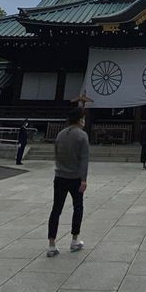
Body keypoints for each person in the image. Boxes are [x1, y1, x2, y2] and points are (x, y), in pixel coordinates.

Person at [46, 108, 88, 257]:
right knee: (78, 207)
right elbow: (84, 160)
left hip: (60, 175)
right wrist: (84, 179)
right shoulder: (82, 136)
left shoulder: (60, 134)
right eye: (83, 118)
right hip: (75, 177)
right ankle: (74, 240)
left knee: (56, 209)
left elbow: (57, 154)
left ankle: (52, 244)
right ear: (80, 119)